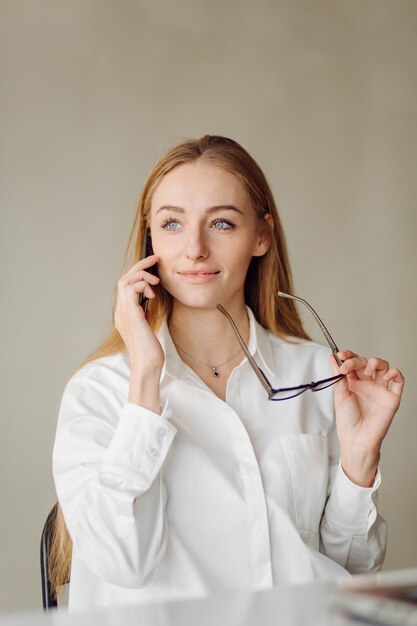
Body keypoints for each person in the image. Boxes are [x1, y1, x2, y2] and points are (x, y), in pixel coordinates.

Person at [51, 135, 404, 611]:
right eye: (172, 223)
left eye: (221, 223)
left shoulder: (317, 376)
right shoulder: (100, 391)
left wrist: (359, 462)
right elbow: (122, 563)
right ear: (151, 237)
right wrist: (146, 381)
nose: (194, 249)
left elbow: (348, 573)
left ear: (261, 235)